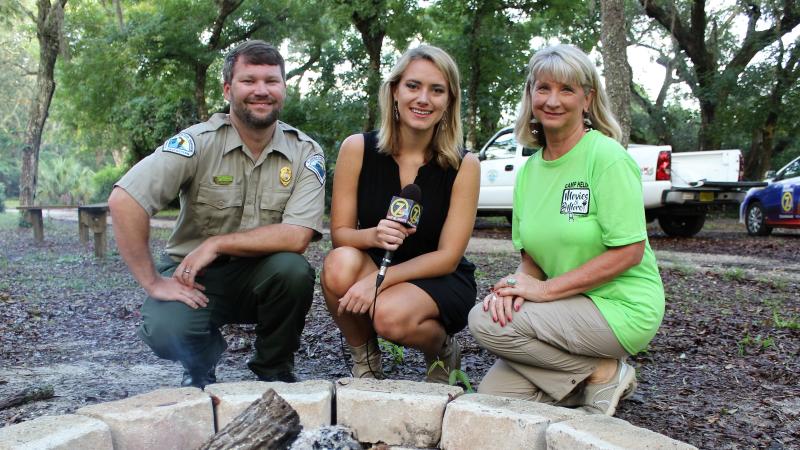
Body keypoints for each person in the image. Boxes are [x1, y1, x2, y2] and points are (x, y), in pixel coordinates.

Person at [108, 40, 325, 388]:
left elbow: (298, 234)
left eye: (271, 81)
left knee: (294, 271)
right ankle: (200, 364)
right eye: (249, 80)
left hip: (261, 276)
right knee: (165, 331)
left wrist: (218, 243)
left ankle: (274, 368)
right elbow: (125, 200)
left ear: (284, 88)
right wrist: (152, 281)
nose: (261, 90)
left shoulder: (304, 152)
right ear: (227, 89)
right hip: (194, 275)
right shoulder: (199, 142)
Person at [468, 44, 665, 415]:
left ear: (587, 99)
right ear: (530, 96)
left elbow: (629, 252)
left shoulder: (606, 157)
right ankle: (587, 382)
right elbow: (532, 261)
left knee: (483, 322)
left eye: (567, 90)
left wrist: (542, 291)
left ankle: (603, 370)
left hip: (621, 306)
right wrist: (513, 290)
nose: (553, 100)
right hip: (564, 305)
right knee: (493, 399)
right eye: (543, 88)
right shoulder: (529, 171)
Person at [321, 45, 480, 383]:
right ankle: (366, 362)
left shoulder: (465, 164)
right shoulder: (357, 149)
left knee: (389, 317)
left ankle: (442, 352)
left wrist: (376, 283)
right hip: (377, 262)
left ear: (448, 101)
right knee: (338, 263)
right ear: (394, 91)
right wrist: (373, 236)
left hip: (437, 276)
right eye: (413, 86)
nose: (423, 98)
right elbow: (341, 235)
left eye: (437, 90)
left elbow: (449, 257)